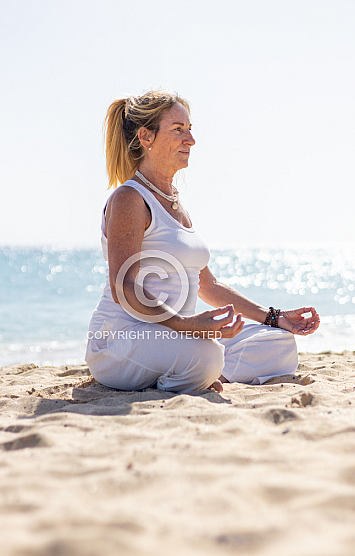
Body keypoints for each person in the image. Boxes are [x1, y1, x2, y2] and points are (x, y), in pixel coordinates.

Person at [86, 90, 320, 394]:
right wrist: (190, 326)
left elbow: (209, 286)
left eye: (190, 130)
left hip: (176, 334)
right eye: (178, 130)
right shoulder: (129, 199)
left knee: (278, 342)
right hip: (121, 340)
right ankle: (195, 374)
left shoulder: (175, 204)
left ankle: (200, 374)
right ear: (146, 137)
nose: (190, 140)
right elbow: (123, 287)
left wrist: (275, 317)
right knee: (207, 354)